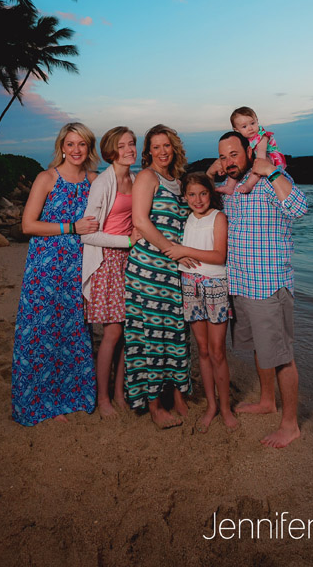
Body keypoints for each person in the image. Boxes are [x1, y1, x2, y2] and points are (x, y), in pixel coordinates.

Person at [210, 131, 307, 448]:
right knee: (259, 348)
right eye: (223, 156)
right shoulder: (231, 189)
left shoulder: (267, 181)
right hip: (239, 284)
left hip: (268, 286)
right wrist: (217, 168)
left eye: (234, 154)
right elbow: (198, 187)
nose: (228, 162)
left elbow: (299, 207)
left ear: (249, 153)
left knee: (281, 356)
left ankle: (290, 424)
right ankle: (267, 401)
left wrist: (272, 169)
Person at [11, 123, 100, 426]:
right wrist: (70, 227)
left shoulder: (94, 180)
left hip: (80, 266)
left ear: (89, 148)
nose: (76, 150)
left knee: (72, 332)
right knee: (41, 332)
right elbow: (28, 225)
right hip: (46, 267)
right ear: (62, 146)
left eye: (82, 145)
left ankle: (70, 397)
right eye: (71, 144)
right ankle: (41, 401)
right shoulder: (47, 178)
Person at [124, 124, 193, 428]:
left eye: (167, 145)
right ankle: (153, 404)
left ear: (174, 147)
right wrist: (170, 248)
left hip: (173, 271)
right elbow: (140, 219)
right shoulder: (146, 177)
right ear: (148, 152)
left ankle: (178, 395)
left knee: (176, 333)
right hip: (148, 268)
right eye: (156, 147)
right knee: (151, 334)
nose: (162, 151)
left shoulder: (178, 181)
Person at [165, 172, 238, 433]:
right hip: (190, 285)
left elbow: (219, 256)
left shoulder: (218, 218)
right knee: (203, 350)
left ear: (211, 194)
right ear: (184, 197)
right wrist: (178, 256)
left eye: (203, 193)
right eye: (192, 194)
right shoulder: (186, 220)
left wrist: (183, 251)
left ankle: (226, 408)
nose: (198, 199)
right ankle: (211, 406)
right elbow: (172, 248)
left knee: (218, 351)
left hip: (215, 286)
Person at [81, 127, 141, 418]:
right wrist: (127, 241)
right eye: (122, 146)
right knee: (112, 332)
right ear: (111, 151)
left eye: (132, 144)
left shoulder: (136, 179)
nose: (130, 149)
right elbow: (88, 235)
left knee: (127, 332)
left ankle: (119, 393)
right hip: (107, 262)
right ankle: (103, 397)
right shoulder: (103, 183)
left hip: (131, 262)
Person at [219, 106, 286, 196]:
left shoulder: (262, 137)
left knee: (260, 163)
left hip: (271, 157)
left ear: (257, 121)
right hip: (254, 156)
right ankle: (230, 187)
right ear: (236, 130)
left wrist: (257, 165)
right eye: (244, 126)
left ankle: (249, 185)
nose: (250, 128)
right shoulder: (242, 139)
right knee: (235, 163)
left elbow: (261, 156)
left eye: (252, 123)